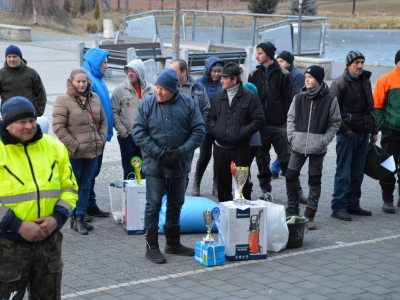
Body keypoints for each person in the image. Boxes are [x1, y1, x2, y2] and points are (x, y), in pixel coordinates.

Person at [0, 96, 78, 299]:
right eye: (22, 122)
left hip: (48, 243)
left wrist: (57, 219)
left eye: (32, 120)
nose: (29, 126)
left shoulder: (54, 147)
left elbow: (70, 188)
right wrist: (18, 225)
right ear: (7, 124)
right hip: (8, 246)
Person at [133, 69, 205, 264]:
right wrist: (159, 153)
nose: (158, 92)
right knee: (153, 205)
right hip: (155, 165)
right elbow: (138, 132)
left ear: (174, 89)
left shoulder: (188, 103)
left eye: (163, 89)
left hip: (179, 164)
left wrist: (181, 151)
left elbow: (199, 130)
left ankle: (173, 243)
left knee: (176, 203)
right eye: (157, 87)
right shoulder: (147, 104)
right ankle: (152, 247)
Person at [52, 69, 107, 235]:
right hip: (74, 152)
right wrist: (74, 145)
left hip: (93, 150)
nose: (81, 84)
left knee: (86, 184)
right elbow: (58, 127)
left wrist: (101, 139)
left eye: (84, 81)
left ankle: (80, 218)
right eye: (78, 81)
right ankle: (73, 217)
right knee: (74, 186)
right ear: (71, 82)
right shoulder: (63, 100)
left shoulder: (95, 98)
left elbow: (103, 121)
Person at [286, 66, 341, 230]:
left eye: (310, 77)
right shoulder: (298, 97)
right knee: (290, 176)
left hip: (318, 148)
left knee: (314, 180)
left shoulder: (331, 100)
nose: (307, 80)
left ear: (319, 79)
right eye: (306, 76)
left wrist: (324, 140)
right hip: (298, 144)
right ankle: (292, 210)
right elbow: (290, 118)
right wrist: (291, 136)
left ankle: (310, 214)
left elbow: (335, 123)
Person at [330, 51, 378, 221]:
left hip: (364, 133)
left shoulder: (365, 80)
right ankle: (338, 206)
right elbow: (332, 111)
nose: (360, 66)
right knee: (343, 172)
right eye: (357, 62)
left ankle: (353, 204)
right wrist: (345, 129)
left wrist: (374, 131)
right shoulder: (339, 83)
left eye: (362, 62)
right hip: (348, 134)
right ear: (348, 64)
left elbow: (371, 108)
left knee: (357, 172)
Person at [208, 63, 264, 202]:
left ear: (234, 80)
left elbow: (258, 120)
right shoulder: (218, 96)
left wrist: (241, 133)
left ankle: (243, 214)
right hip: (220, 148)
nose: (221, 80)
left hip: (241, 148)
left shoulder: (250, 97)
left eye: (224, 78)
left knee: (242, 187)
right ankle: (226, 215)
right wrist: (216, 131)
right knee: (223, 185)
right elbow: (211, 117)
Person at [248, 42, 294, 195]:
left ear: (267, 54)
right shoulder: (254, 74)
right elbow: (251, 99)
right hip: (260, 125)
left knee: (286, 160)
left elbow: (289, 101)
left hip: (280, 125)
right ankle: (265, 190)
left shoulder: (284, 75)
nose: (256, 56)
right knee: (262, 160)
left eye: (259, 53)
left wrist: (287, 123)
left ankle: (293, 192)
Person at [169, 59, 210, 193]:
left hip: (189, 139)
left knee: (184, 170)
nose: (171, 74)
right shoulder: (168, 86)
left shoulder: (197, 87)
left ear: (184, 72)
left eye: (174, 71)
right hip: (170, 136)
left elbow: (206, 109)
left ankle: (180, 198)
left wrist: (199, 128)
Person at [111, 59, 155, 180]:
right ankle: (129, 197)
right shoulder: (120, 89)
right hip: (128, 137)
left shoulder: (152, 90)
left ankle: (145, 197)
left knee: (147, 170)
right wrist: (123, 132)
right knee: (129, 172)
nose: (130, 74)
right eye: (128, 71)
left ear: (140, 72)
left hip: (147, 137)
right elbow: (113, 111)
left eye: (133, 71)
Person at [82, 48, 112, 218]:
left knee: (94, 172)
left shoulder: (98, 79)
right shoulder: (87, 79)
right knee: (87, 173)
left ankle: (90, 204)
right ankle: (81, 207)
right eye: (104, 63)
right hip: (91, 137)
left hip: (100, 136)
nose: (106, 67)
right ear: (95, 63)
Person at [271, 50, 306, 179]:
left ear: (289, 62)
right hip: (282, 114)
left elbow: (297, 96)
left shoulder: (297, 76)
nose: (279, 63)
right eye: (278, 61)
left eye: (282, 61)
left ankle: (276, 167)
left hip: (293, 115)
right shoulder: (280, 74)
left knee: (288, 144)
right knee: (287, 145)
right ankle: (277, 167)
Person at [373, 50, 400, 214]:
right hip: (391, 132)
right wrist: (384, 125)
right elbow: (377, 106)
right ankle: (387, 199)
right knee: (389, 165)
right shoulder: (385, 80)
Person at [195, 56, 225, 196]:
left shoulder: (223, 82)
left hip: (220, 127)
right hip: (206, 127)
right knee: (205, 156)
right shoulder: (200, 83)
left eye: (219, 71)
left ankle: (216, 185)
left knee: (219, 158)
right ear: (208, 70)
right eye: (214, 71)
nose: (217, 74)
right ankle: (197, 182)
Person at [0, 45, 47, 116]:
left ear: (20, 57)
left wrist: (38, 112)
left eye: (14, 56)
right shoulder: (1, 74)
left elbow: (41, 94)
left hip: (29, 114)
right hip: (9, 115)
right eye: (9, 57)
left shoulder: (31, 73)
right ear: (6, 58)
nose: (12, 59)